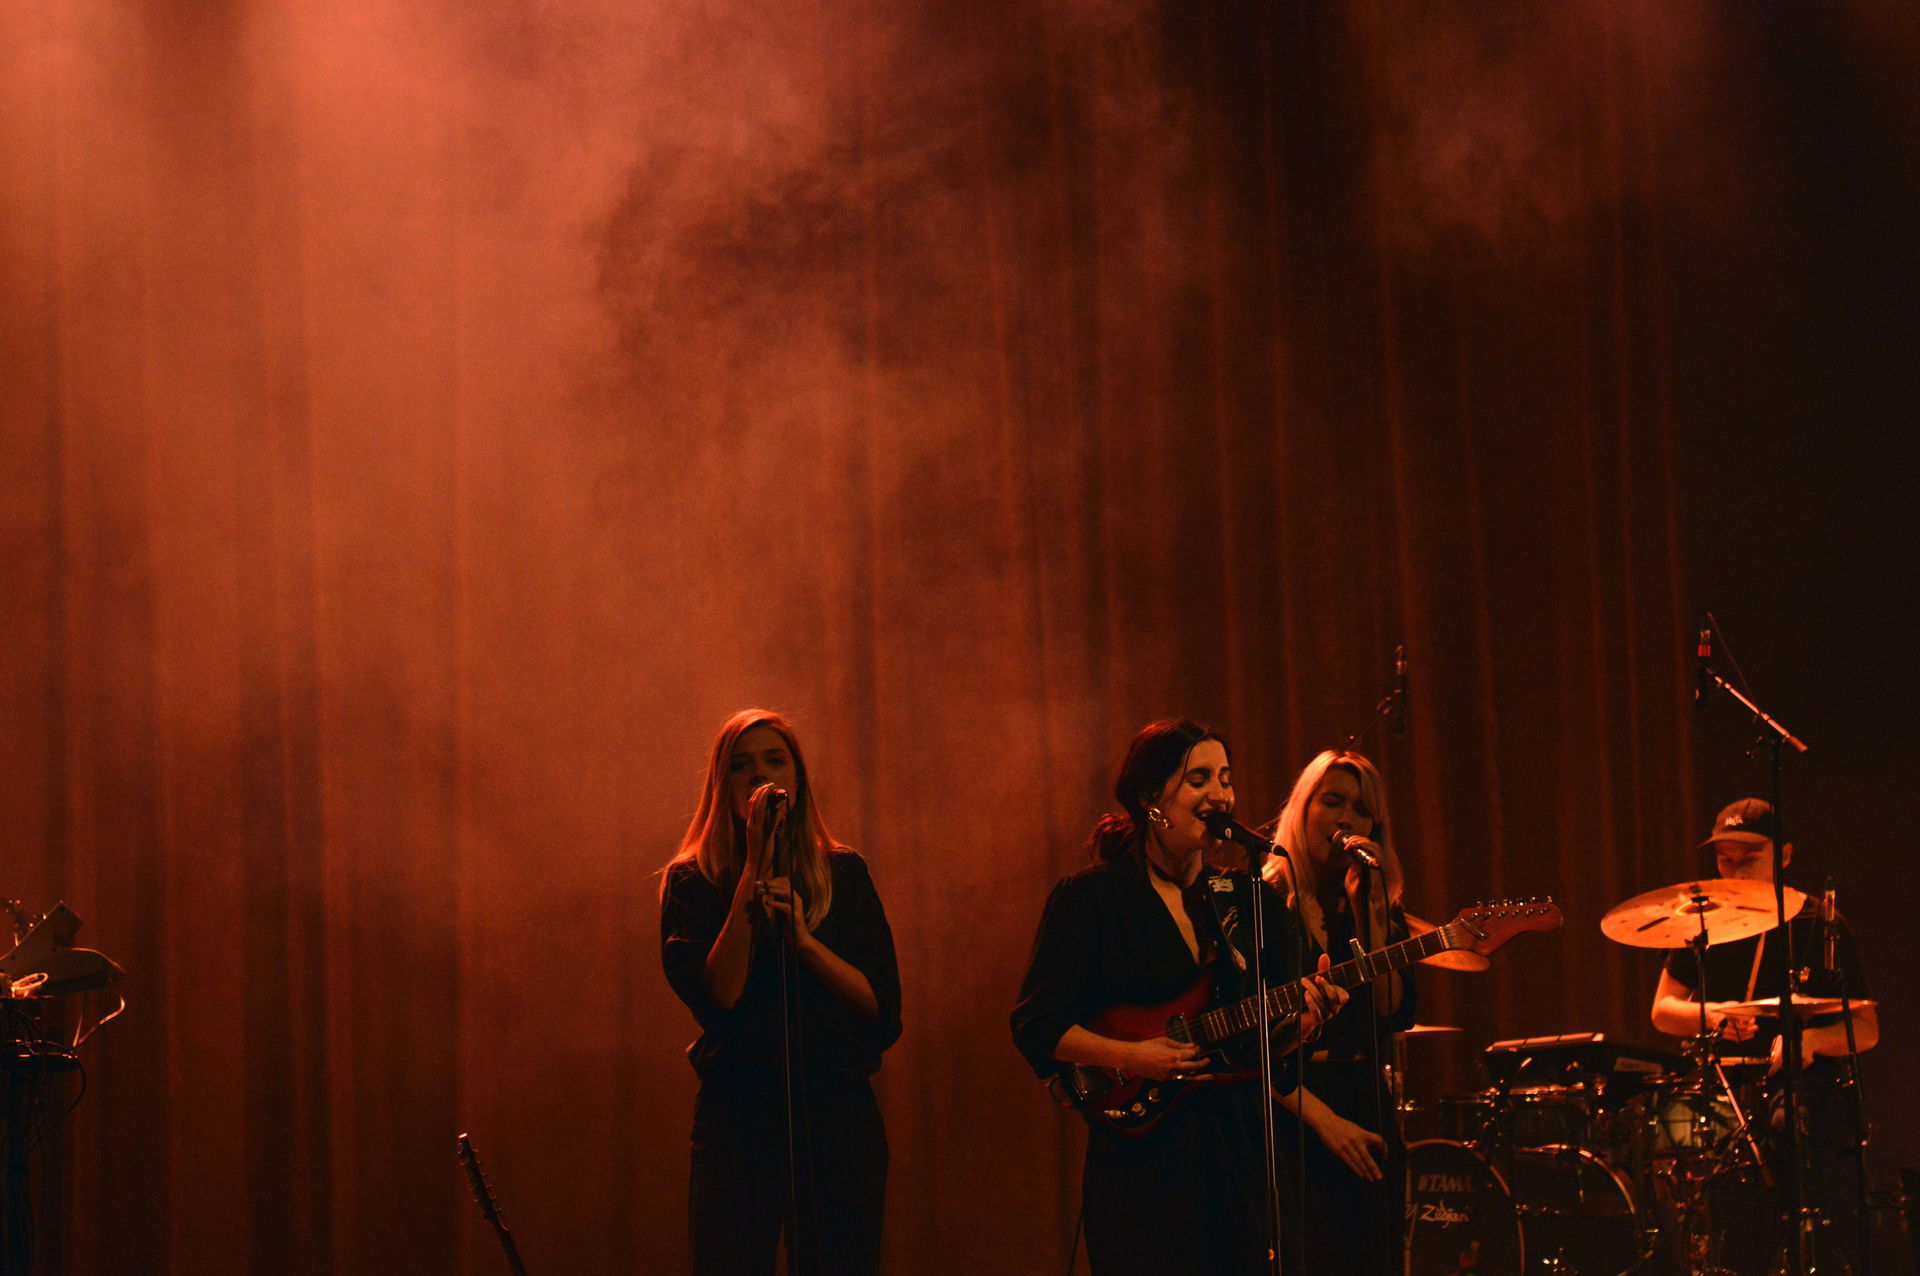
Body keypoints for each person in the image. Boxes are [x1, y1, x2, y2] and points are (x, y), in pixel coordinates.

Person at [1011, 718, 1343, 1276]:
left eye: (1226, 778)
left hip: (1237, 1151)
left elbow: (1267, 1044)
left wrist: (1306, 1021)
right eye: (1199, 780)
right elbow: (1036, 1024)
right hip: (1143, 1162)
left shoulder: (1247, 898)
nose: (1220, 794)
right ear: (1151, 800)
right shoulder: (1092, 898)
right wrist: (1132, 1056)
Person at [660, 710, 902, 1276]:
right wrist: (754, 865)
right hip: (738, 1116)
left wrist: (807, 944)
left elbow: (883, 1010)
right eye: (741, 766)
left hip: (835, 1110)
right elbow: (719, 995)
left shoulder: (842, 873)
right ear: (722, 786)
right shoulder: (692, 883)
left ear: (798, 777)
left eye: (775, 760)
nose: (759, 776)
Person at [1648, 798, 1877, 1275]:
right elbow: (1663, 1012)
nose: (1733, 871)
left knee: (1789, 1123)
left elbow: (1867, 1028)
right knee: (1656, 1131)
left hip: (1796, 1083)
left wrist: (1810, 1043)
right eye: (1724, 860)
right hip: (1719, 1085)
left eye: (1748, 859)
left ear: (1785, 855)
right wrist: (1714, 1017)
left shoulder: (1819, 922)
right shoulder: (1702, 924)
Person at [1261, 749, 1415, 1276]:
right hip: (1292, 1111)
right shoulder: (1261, 902)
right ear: (1302, 809)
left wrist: (1367, 914)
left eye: (1361, 809)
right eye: (1332, 802)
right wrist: (1327, 1124)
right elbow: (1245, 1042)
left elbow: (1392, 1008)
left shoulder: (1372, 903)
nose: (1346, 819)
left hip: (1366, 1102)